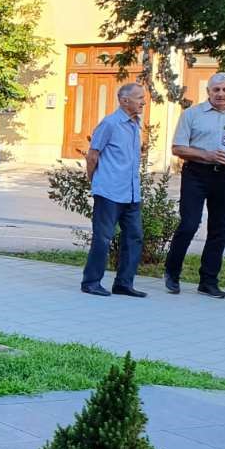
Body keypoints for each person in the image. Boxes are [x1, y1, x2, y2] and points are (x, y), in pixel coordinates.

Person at [163, 72, 225, 298]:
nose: (220, 94)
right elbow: (178, 148)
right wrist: (207, 155)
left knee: (219, 229)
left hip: (224, 175)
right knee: (189, 224)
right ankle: (172, 273)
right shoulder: (192, 114)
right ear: (208, 91)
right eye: (216, 90)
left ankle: (208, 281)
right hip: (196, 173)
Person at [80, 83, 148, 297]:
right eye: (139, 98)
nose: (143, 102)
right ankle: (91, 282)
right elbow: (93, 156)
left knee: (134, 237)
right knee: (103, 238)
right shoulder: (110, 123)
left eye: (143, 97)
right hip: (109, 191)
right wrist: (95, 181)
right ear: (124, 100)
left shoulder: (136, 124)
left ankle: (123, 284)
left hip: (131, 193)